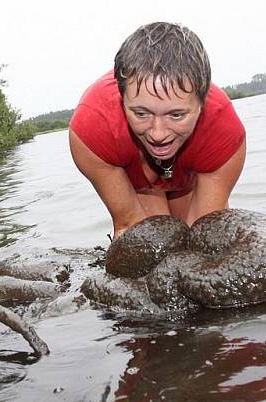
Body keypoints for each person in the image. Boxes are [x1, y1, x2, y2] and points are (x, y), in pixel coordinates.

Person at [69, 22, 246, 239]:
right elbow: (128, 224)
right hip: (133, 170)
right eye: (141, 114)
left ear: (202, 103)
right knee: (150, 241)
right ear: (121, 98)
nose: (158, 134)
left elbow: (204, 240)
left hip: (188, 172)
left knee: (204, 236)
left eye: (176, 115)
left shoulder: (223, 131)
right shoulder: (93, 128)